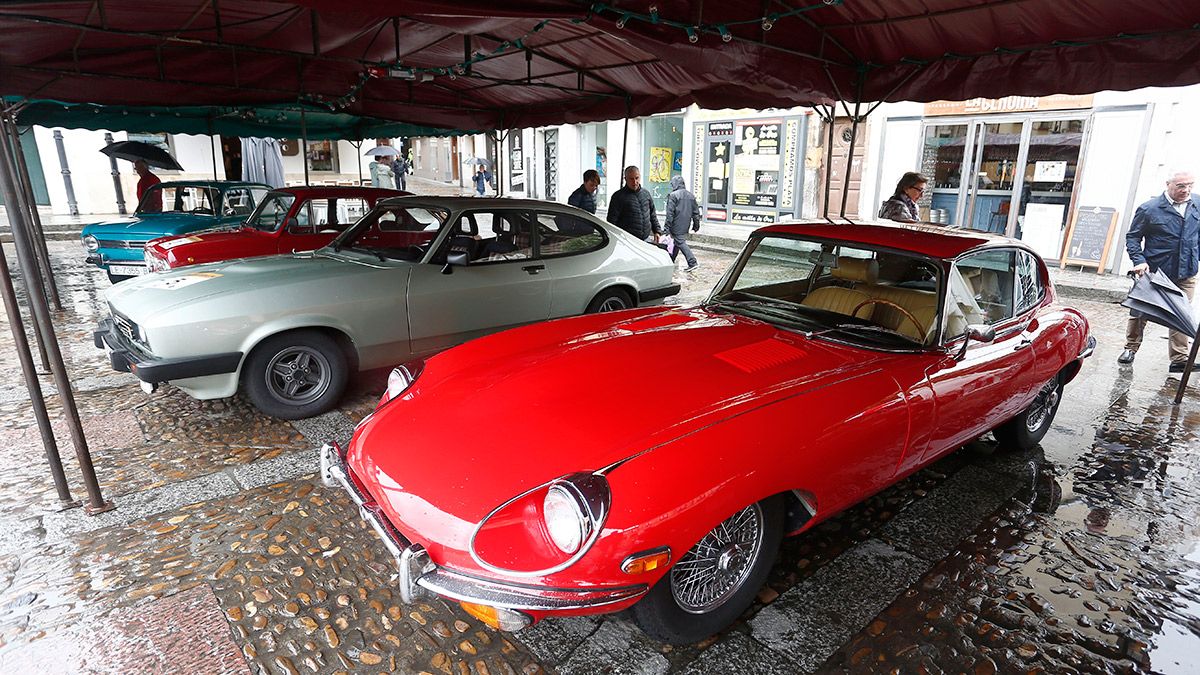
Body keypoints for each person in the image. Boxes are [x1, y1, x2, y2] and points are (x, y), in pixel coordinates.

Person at [1118, 170, 1199, 372]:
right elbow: (1133, 237)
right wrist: (1139, 261)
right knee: (1141, 311)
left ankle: (1179, 359)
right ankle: (1130, 348)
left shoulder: (1197, 204)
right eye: (1181, 185)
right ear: (1168, 184)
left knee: (1182, 313)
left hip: (1186, 272)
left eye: (1190, 185)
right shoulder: (1149, 209)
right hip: (1155, 272)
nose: (1186, 190)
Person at [606, 166, 661, 241]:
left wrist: (657, 231)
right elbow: (611, 222)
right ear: (625, 179)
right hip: (627, 241)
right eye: (631, 179)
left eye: (637, 178)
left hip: (646, 239)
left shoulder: (646, 194)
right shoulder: (618, 197)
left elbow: (652, 214)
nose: (635, 182)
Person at [664, 175, 701, 271]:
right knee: (677, 242)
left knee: (680, 242)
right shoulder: (691, 196)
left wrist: (666, 229)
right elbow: (696, 213)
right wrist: (696, 226)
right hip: (686, 224)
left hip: (676, 224)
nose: (672, 186)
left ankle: (692, 262)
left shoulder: (673, 195)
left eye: (672, 184)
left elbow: (670, 213)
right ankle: (670, 260)